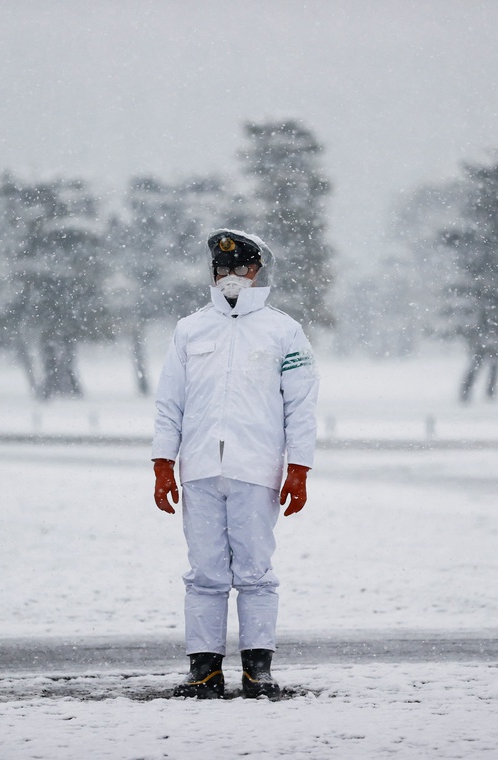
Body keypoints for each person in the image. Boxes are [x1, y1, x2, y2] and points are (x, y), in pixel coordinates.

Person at [151, 228, 320, 700]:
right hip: (200, 468)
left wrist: (299, 468)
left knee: (255, 572)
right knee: (204, 573)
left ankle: (257, 670)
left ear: (257, 270)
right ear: (212, 272)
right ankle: (203, 671)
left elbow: (301, 405)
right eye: (221, 268)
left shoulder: (284, 331)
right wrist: (163, 461)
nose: (230, 276)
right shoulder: (190, 329)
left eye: (239, 267)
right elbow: (170, 403)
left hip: (256, 469)